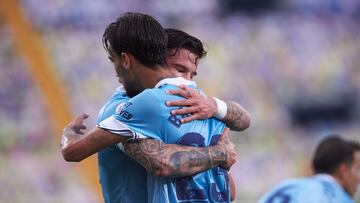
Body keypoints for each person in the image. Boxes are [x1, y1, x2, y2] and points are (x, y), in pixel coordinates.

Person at [61, 13, 249, 202]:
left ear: (125, 60)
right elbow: (229, 191)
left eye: (191, 73)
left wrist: (69, 134)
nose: (185, 80)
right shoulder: (202, 104)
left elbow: (162, 164)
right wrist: (220, 152)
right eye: (180, 69)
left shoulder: (143, 106)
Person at [257, 135, 360, 203]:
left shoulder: (283, 187)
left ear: (312, 166)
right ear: (343, 170)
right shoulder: (339, 198)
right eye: (358, 169)